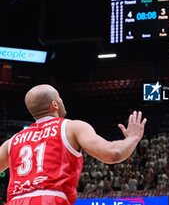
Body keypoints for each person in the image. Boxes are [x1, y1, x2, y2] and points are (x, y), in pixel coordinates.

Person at [0, 84, 146, 205]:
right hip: (51, 200)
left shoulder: (12, 141)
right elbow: (114, 154)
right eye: (59, 97)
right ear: (54, 105)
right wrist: (133, 138)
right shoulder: (72, 127)